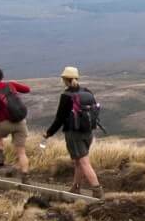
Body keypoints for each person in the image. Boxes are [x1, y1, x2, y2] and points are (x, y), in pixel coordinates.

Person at [39, 66, 103, 198]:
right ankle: (75, 187)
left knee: (84, 162)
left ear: (64, 80)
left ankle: (97, 190)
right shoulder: (87, 91)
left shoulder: (66, 95)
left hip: (74, 133)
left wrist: (49, 133)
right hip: (88, 132)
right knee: (79, 161)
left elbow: (60, 118)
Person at [0, 65, 32, 176]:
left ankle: (0, 155)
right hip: (20, 122)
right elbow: (27, 89)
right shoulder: (11, 84)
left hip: (5, 123)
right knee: (21, 153)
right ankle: (25, 176)